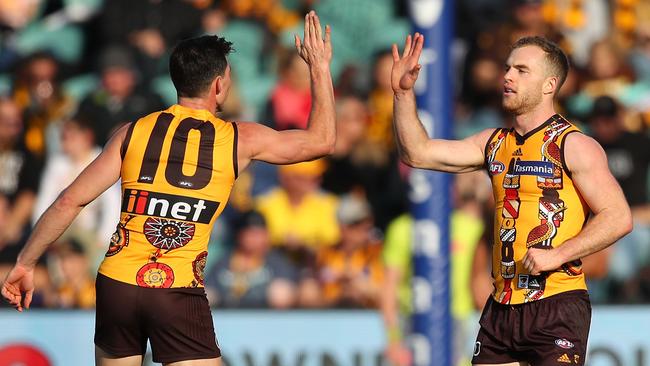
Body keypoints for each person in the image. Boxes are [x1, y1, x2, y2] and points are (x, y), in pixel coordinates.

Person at [2, 10, 334, 366]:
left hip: (117, 282)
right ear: (219, 85)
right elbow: (322, 141)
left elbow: (69, 200)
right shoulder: (239, 138)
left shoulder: (132, 132)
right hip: (174, 288)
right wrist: (318, 67)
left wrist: (26, 262)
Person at [391, 33, 632, 365]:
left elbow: (618, 216)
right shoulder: (493, 143)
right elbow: (417, 154)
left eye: (521, 70)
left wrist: (558, 254)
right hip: (501, 308)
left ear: (549, 85)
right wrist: (403, 94)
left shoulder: (573, 145)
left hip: (556, 303)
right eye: (507, 68)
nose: (507, 76)